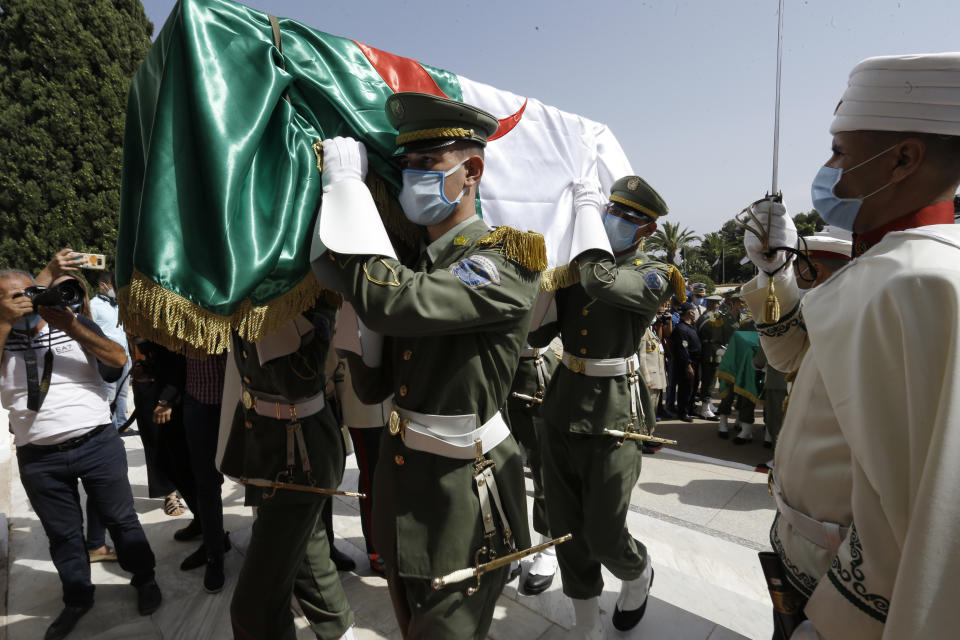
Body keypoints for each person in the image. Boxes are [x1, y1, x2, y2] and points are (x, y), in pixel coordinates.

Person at [742, 53, 960, 639]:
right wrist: (772, 275)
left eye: (840, 151)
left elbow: (925, 503)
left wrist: (841, 617)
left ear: (902, 160)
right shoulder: (886, 266)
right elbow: (790, 356)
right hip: (803, 562)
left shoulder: (924, 280)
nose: (830, 169)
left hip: (846, 597)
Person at [310, 92, 543, 638]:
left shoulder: (505, 259)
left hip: (464, 497)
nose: (412, 177)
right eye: (407, 166)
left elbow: (398, 300)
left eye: (428, 164)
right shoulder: (410, 265)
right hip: (403, 486)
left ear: (472, 171)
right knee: (411, 621)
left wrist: (347, 194)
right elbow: (374, 389)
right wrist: (359, 333)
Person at [536, 175, 680, 637]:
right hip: (562, 404)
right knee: (566, 526)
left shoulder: (653, 274)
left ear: (647, 231)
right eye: (610, 212)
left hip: (615, 413)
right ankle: (585, 625)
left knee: (603, 531)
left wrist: (584, 222)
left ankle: (637, 572)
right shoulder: (575, 267)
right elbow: (538, 335)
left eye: (627, 217)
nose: (613, 222)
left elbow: (601, 281)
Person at [0, 269, 161, 640]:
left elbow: (118, 359)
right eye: (14, 296)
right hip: (39, 457)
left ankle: (145, 579)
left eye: (30, 291)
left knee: (122, 521)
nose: (26, 299)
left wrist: (71, 326)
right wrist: (5, 324)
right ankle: (77, 598)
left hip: (96, 444)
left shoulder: (74, 320)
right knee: (63, 534)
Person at [220, 295, 355, 639]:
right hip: (273, 444)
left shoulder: (293, 298)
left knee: (254, 609)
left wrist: (264, 310)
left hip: (298, 454)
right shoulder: (254, 296)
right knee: (313, 569)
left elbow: (297, 383)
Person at [505, 339, 559, 593]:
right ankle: (506, 544)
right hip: (496, 367)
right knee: (498, 470)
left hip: (533, 371)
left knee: (545, 471)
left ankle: (547, 549)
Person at [178, 353, 230, 593]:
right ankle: (214, 554)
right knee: (206, 484)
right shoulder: (185, 314)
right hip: (198, 403)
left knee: (258, 478)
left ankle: (270, 552)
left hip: (241, 402)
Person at [671, 301, 702, 422]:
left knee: (693, 387)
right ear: (689, 312)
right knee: (686, 388)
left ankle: (690, 408)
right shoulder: (681, 329)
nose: (694, 312)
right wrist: (688, 365)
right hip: (686, 363)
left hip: (695, 361)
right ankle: (683, 412)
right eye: (692, 310)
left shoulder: (690, 326)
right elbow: (683, 350)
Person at [695, 294, 724, 420]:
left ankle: (708, 404)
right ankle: (705, 409)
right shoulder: (710, 318)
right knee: (709, 380)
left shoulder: (709, 316)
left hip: (711, 351)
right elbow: (717, 336)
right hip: (710, 353)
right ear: (713, 304)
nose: (718, 305)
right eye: (717, 303)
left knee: (711, 379)